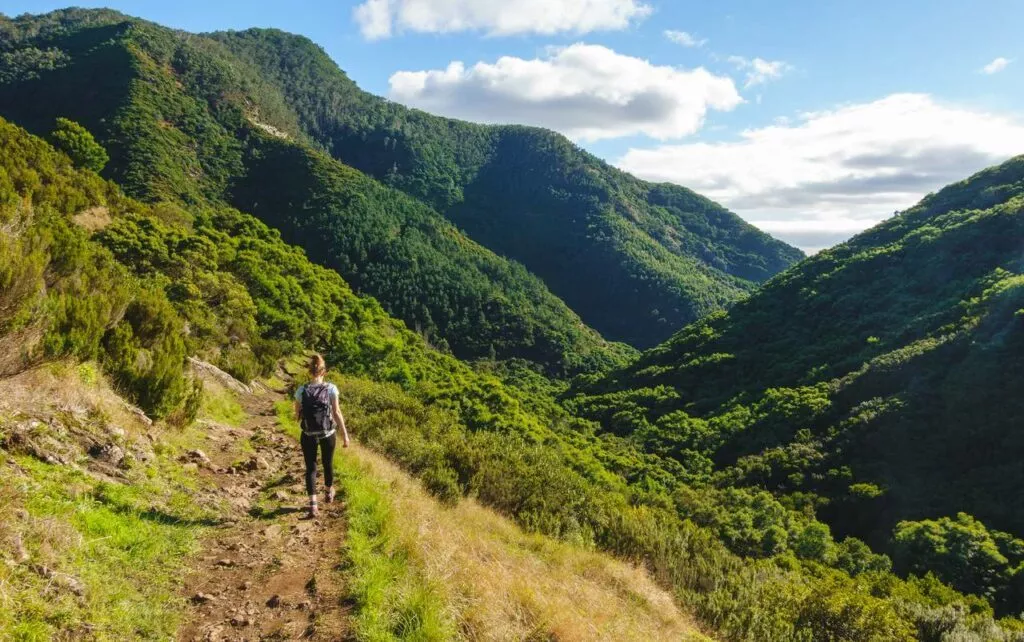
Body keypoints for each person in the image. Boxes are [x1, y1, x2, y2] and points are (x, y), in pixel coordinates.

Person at [293, 354, 350, 517]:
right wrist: (345, 435)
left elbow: (297, 415)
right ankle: (328, 491)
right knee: (327, 463)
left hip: (308, 434)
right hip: (328, 433)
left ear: (309, 372)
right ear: (324, 372)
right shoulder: (331, 388)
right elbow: (337, 412)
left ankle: (313, 505)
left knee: (311, 468)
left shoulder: (301, 390)